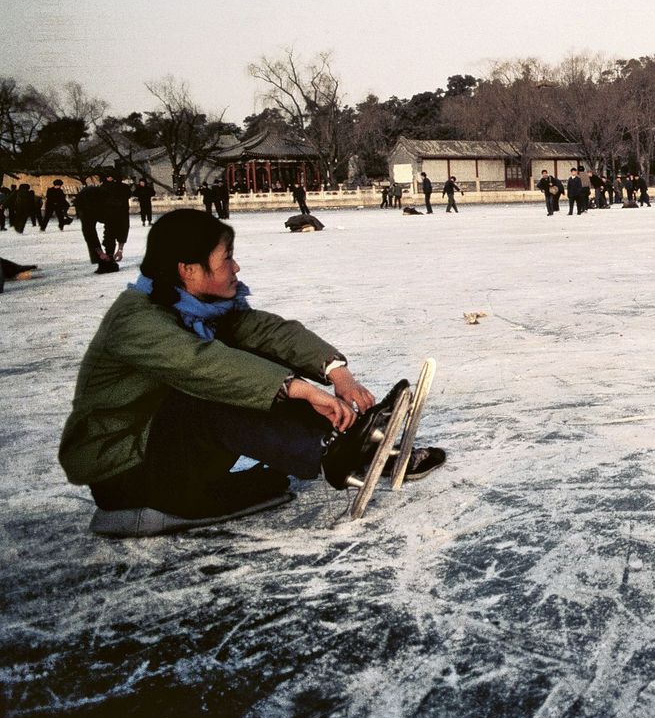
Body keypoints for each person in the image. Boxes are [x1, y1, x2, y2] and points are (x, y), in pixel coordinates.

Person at [57, 209, 445, 537]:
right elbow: (203, 364)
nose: (236, 266)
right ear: (189, 270)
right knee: (222, 387)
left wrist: (335, 372)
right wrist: (299, 389)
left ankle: (353, 446)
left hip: (162, 453)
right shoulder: (136, 321)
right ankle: (335, 453)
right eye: (226, 258)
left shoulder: (196, 306)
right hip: (127, 474)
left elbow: (269, 333)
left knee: (257, 364)